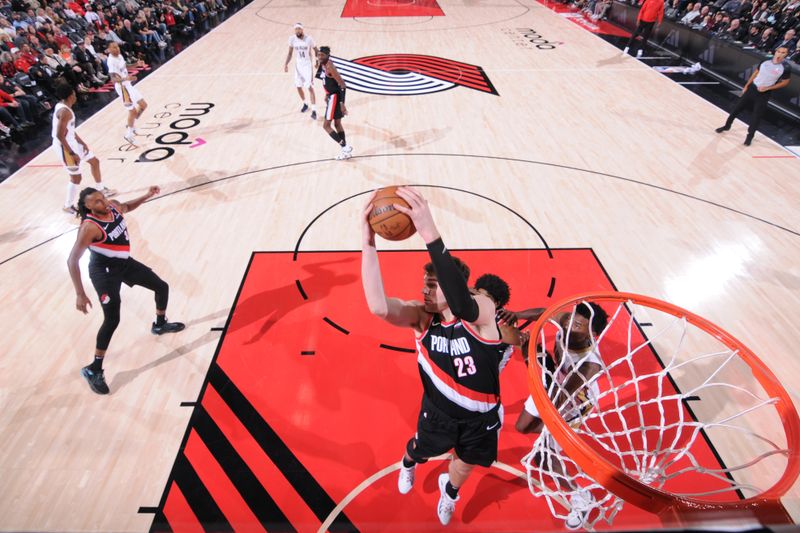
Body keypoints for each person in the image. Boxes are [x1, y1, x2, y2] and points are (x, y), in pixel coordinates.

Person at [361, 187, 507, 526]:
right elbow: (378, 307)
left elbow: (462, 304)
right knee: (420, 450)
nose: (424, 290)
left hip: (480, 418)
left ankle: (450, 492)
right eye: (424, 283)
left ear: (457, 286)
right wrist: (368, 242)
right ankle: (408, 464)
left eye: (433, 284)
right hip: (438, 414)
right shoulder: (422, 318)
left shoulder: (482, 313)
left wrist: (430, 232)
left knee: (465, 464)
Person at [67, 186, 186, 395]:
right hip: (104, 273)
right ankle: (94, 369)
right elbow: (72, 260)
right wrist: (79, 293)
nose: (102, 202)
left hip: (123, 264)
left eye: (101, 198)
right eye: (95, 201)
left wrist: (146, 196)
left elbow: (127, 206)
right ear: (87, 207)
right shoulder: (89, 227)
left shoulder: (112, 207)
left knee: (161, 287)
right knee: (112, 319)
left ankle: (159, 324)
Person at [514, 301, 609, 530]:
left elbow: (557, 401)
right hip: (554, 379)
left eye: (577, 325)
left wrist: (531, 359)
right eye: (570, 319)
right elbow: (542, 311)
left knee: (544, 457)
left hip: (573, 402)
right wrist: (514, 314)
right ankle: (563, 438)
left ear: (592, 334)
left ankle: (582, 498)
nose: (568, 325)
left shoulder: (589, 365)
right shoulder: (568, 322)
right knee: (522, 426)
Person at [51, 82, 115, 214]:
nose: (75, 95)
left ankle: (100, 189)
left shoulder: (64, 106)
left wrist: (82, 142)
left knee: (94, 161)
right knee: (76, 178)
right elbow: (59, 135)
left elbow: (69, 130)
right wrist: (72, 153)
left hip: (72, 142)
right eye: (74, 93)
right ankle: (68, 205)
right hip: (64, 147)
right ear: (70, 96)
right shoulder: (64, 112)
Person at [715, 46, 792, 145]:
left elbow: (785, 82)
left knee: (756, 116)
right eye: (779, 51)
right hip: (752, 89)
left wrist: (768, 88)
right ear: (775, 52)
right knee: (736, 109)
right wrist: (747, 85)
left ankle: (750, 136)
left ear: (786, 55)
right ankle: (727, 126)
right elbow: (755, 73)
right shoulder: (765, 61)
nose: (780, 54)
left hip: (764, 93)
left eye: (783, 53)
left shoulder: (785, 68)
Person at [316, 45, 353, 160]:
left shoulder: (330, 67)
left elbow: (342, 85)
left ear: (328, 56)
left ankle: (345, 146)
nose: (320, 57)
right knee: (337, 124)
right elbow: (329, 82)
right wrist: (327, 93)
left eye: (322, 55)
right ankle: (345, 152)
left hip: (335, 98)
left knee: (326, 126)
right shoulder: (322, 64)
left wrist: (342, 103)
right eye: (319, 55)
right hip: (332, 96)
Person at [107, 41, 147, 144]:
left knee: (143, 105)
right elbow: (113, 79)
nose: (117, 49)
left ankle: (131, 124)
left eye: (117, 47)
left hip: (128, 85)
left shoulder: (119, 56)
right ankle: (128, 134)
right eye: (114, 47)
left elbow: (126, 67)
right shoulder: (111, 61)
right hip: (122, 87)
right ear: (109, 50)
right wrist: (126, 78)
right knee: (132, 111)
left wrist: (136, 64)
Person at [284, 22, 318, 119]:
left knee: (310, 87)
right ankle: (305, 104)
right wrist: (286, 63)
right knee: (298, 86)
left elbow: (316, 50)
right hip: (298, 65)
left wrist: (317, 62)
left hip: (307, 65)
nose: (297, 31)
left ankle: (314, 110)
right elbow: (290, 53)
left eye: (299, 29)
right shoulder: (292, 39)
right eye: (296, 29)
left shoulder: (309, 39)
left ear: (302, 29)